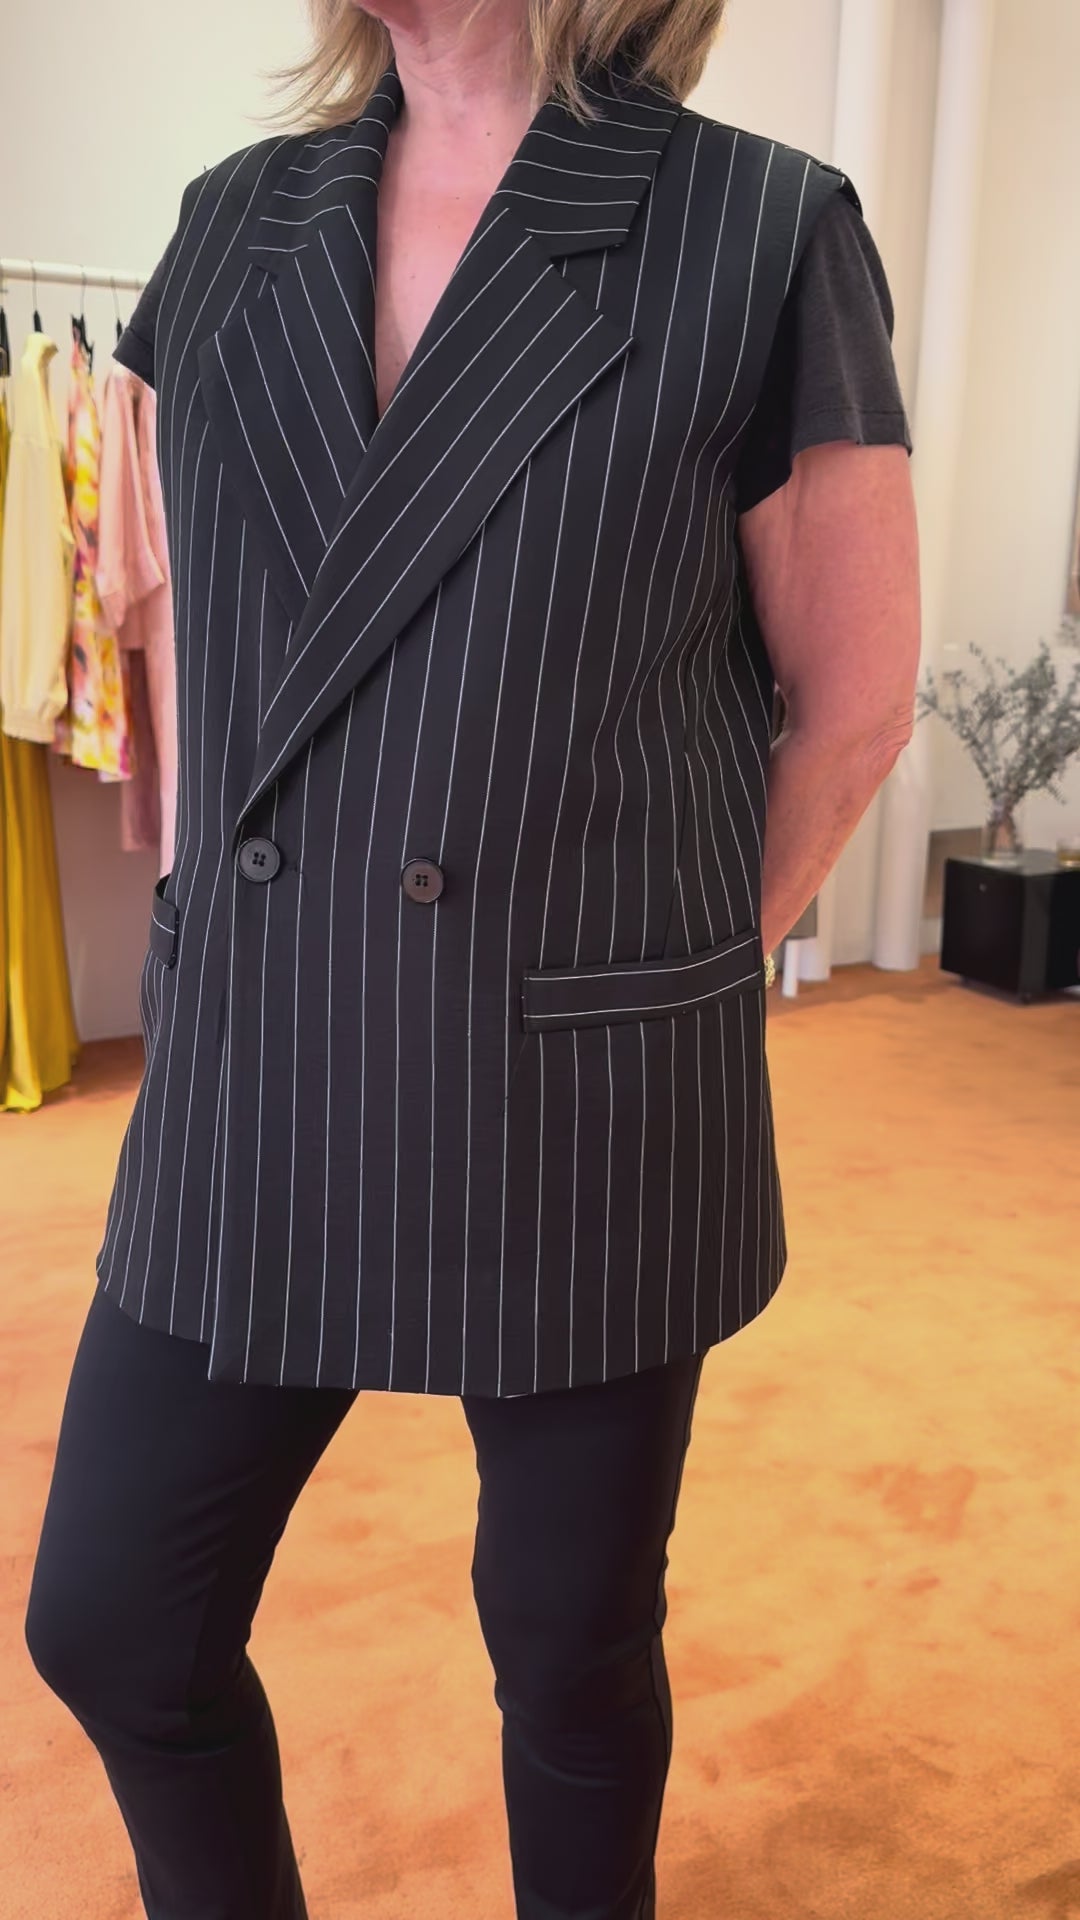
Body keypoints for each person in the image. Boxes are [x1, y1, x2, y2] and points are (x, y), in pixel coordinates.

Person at [24, 0, 920, 1914]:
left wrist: (661, 972)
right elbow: (198, 627)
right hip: (256, 1056)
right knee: (113, 1622)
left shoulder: (759, 229)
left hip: (576, 1081)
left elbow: (850, 702)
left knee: (570, 1647)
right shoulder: (234, 219)